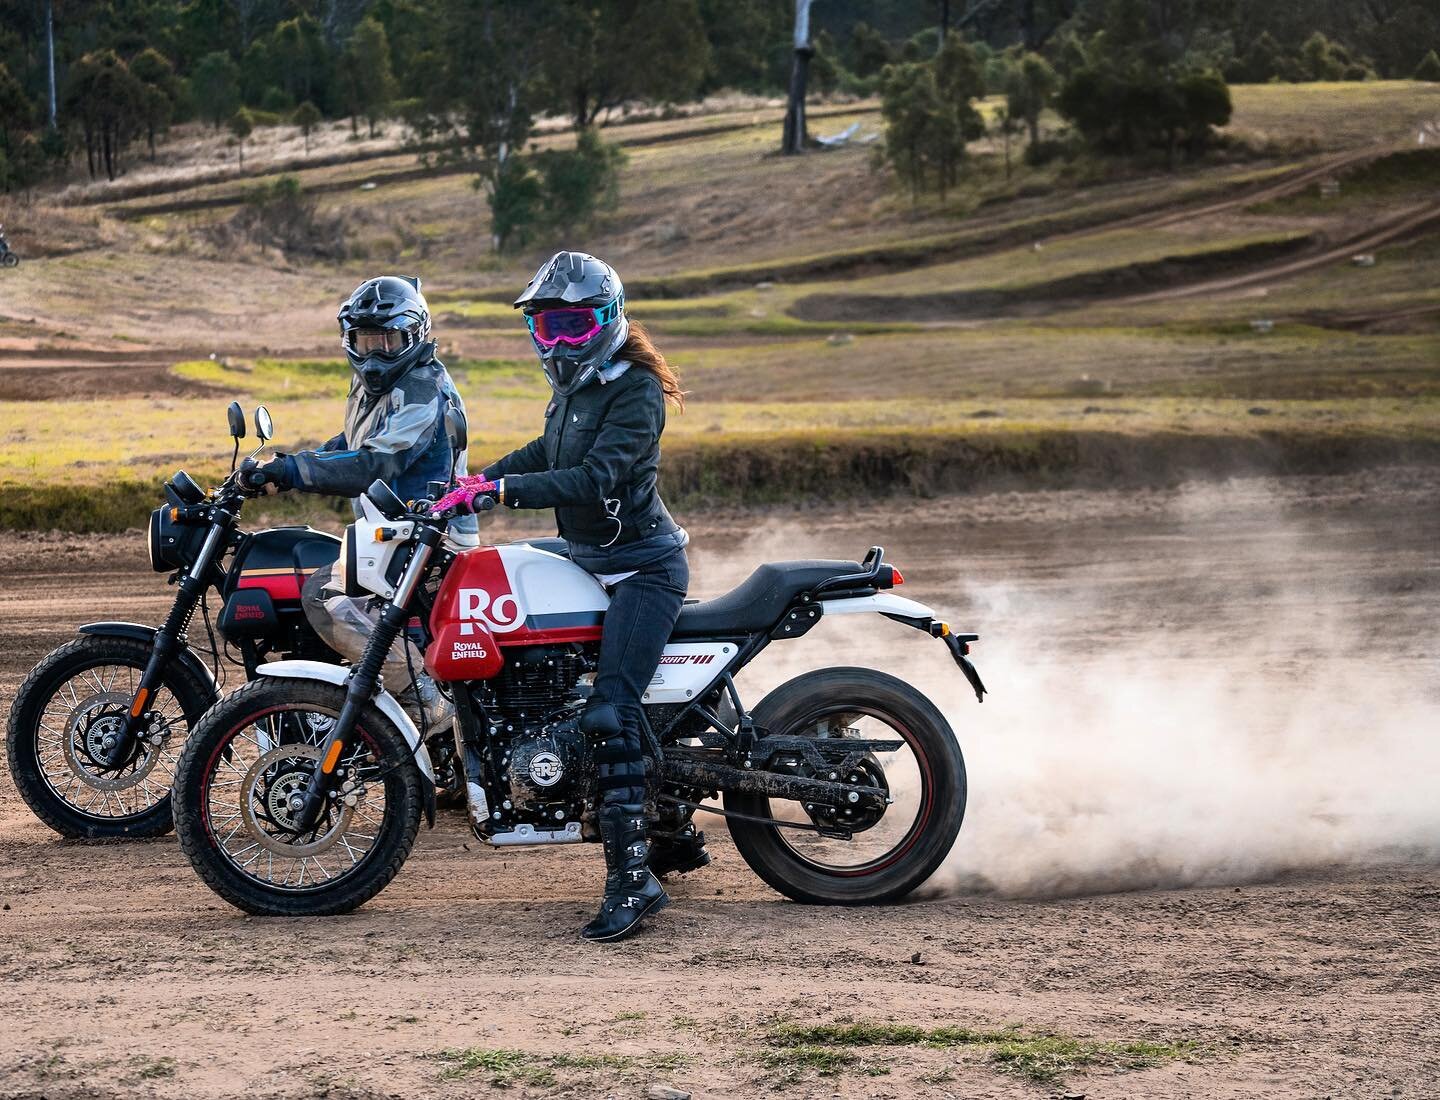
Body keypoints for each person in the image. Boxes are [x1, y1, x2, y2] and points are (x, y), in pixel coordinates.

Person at [439, 251, 706, 943]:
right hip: (589, 558)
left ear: (608, 319)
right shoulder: (576, 389)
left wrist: (506, 493)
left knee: (609, 712)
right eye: (545, 327)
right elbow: (549, 448)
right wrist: (476, 481)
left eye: (571, 324)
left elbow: (595, 476)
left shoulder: (636, 390)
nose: (557, 340)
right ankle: (669, 827)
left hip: (642, 570)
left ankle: (633, 883)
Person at [242, 274, 475, 728]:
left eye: (386, 341)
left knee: (328, 597)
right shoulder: (383, 386)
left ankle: (420, 691)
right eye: (364, 341)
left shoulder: (422, 390)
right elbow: (353, 442)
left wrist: (294, 471)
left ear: (413, 336)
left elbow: (373, 464)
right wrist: (283, 466)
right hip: (395, 535)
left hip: (428, 542)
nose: (374, 354)